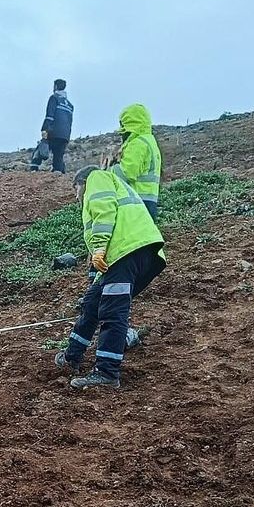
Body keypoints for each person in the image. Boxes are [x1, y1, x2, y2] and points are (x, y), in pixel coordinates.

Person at [54, 158, 165, 389]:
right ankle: (71, 357)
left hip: (126, 251)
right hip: (133, 254)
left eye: (76, 191)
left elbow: (104, 212)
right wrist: (96, 274)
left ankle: (106, 372)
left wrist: (99, 247)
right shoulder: (113, 183)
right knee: (93, 302)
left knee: (112, 310)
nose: (77, 198)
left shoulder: (97, 178)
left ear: (81, 182)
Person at [111, 104, 162, 220]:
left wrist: (110, 170)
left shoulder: (137, 143)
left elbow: (126, 173)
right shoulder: (149, 141)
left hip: (137, 200)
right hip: (149, 200)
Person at [30, 79, 74, 173]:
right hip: (65, 135)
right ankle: (58, 172)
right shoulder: (70, 105)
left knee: (41, 149)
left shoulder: (54, 98)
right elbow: (70, 121)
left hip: (53, 131)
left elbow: (50, 115)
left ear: (56, 87)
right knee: (58, 155)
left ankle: (33, 170)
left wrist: (45, 129)